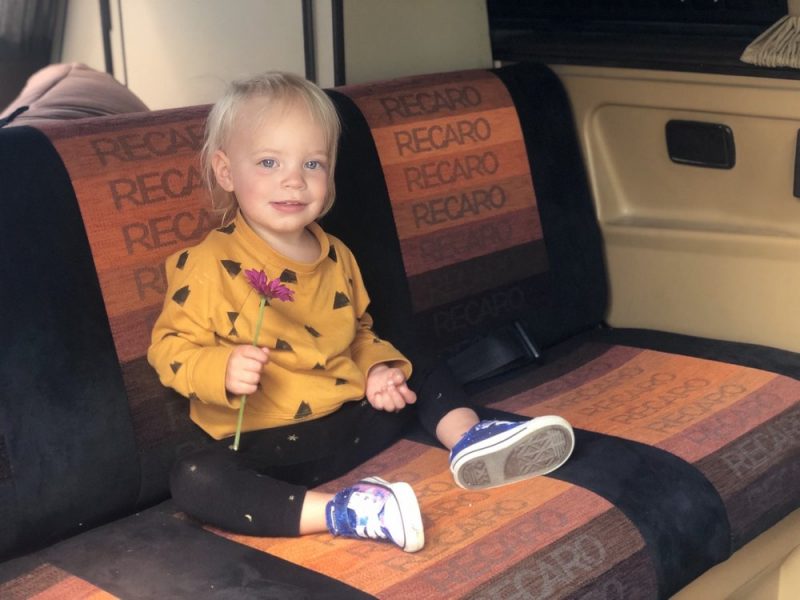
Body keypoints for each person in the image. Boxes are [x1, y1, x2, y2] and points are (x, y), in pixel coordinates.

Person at [147, 72, 575, 554]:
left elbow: (359, 333)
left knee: (412, 359)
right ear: (226, 172)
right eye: (269, 162)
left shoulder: (337, 255)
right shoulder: (207, 265)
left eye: (312, 163)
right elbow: (169, 349)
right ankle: (348, 511)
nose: (294, 179)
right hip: (268, 447)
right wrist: (220, 368)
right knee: (195, 478)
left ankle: (469, 440)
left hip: (352, 420)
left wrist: (376, 371)